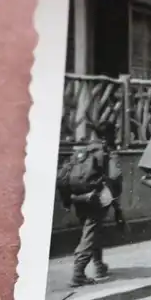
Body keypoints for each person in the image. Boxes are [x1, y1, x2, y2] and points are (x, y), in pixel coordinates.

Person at [56, 121, 124, 288]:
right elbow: (115, 177)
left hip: (79, 198)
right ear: (109, 135)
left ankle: (99, 266)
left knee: (93, 231)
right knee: (90, 234)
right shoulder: (106, 152)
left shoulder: (82, 150)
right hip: (96, 198)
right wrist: (115, 197)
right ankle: (78, 273)